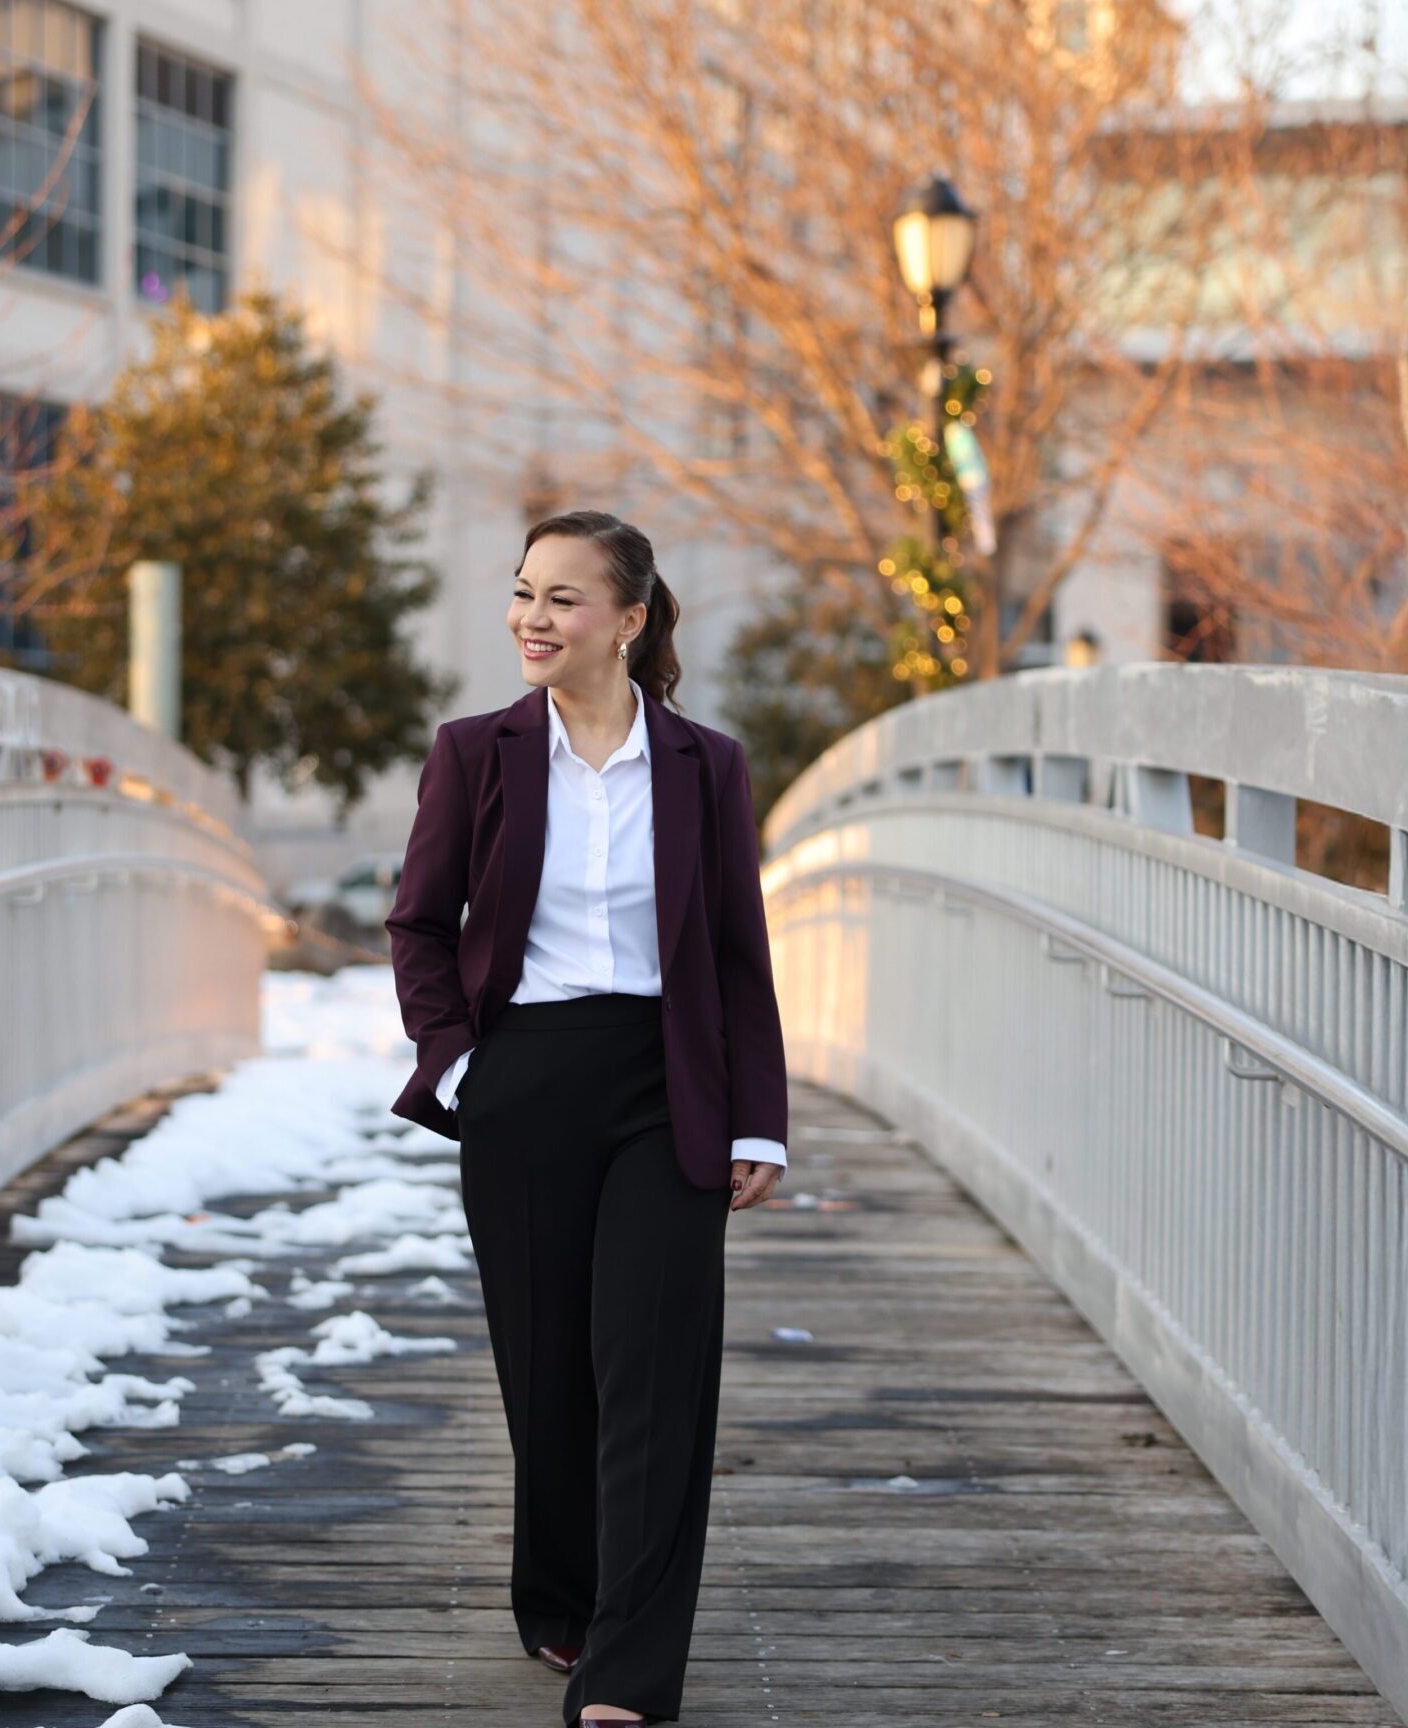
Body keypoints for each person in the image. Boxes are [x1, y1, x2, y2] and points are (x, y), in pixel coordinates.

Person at [385, 509, 789, 1727]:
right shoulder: (477, 753)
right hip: (526, 1081)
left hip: (670, 1084)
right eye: (523, 593)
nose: (532, 618)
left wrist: (756, 1120)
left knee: (654, 1379)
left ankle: (628, 1670)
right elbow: (418, 926)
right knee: (549, 1376)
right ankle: (561, 1599)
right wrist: (459, 1068)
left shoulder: (705, 765)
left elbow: (734, 954)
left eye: (563, 599)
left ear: (629, 619)